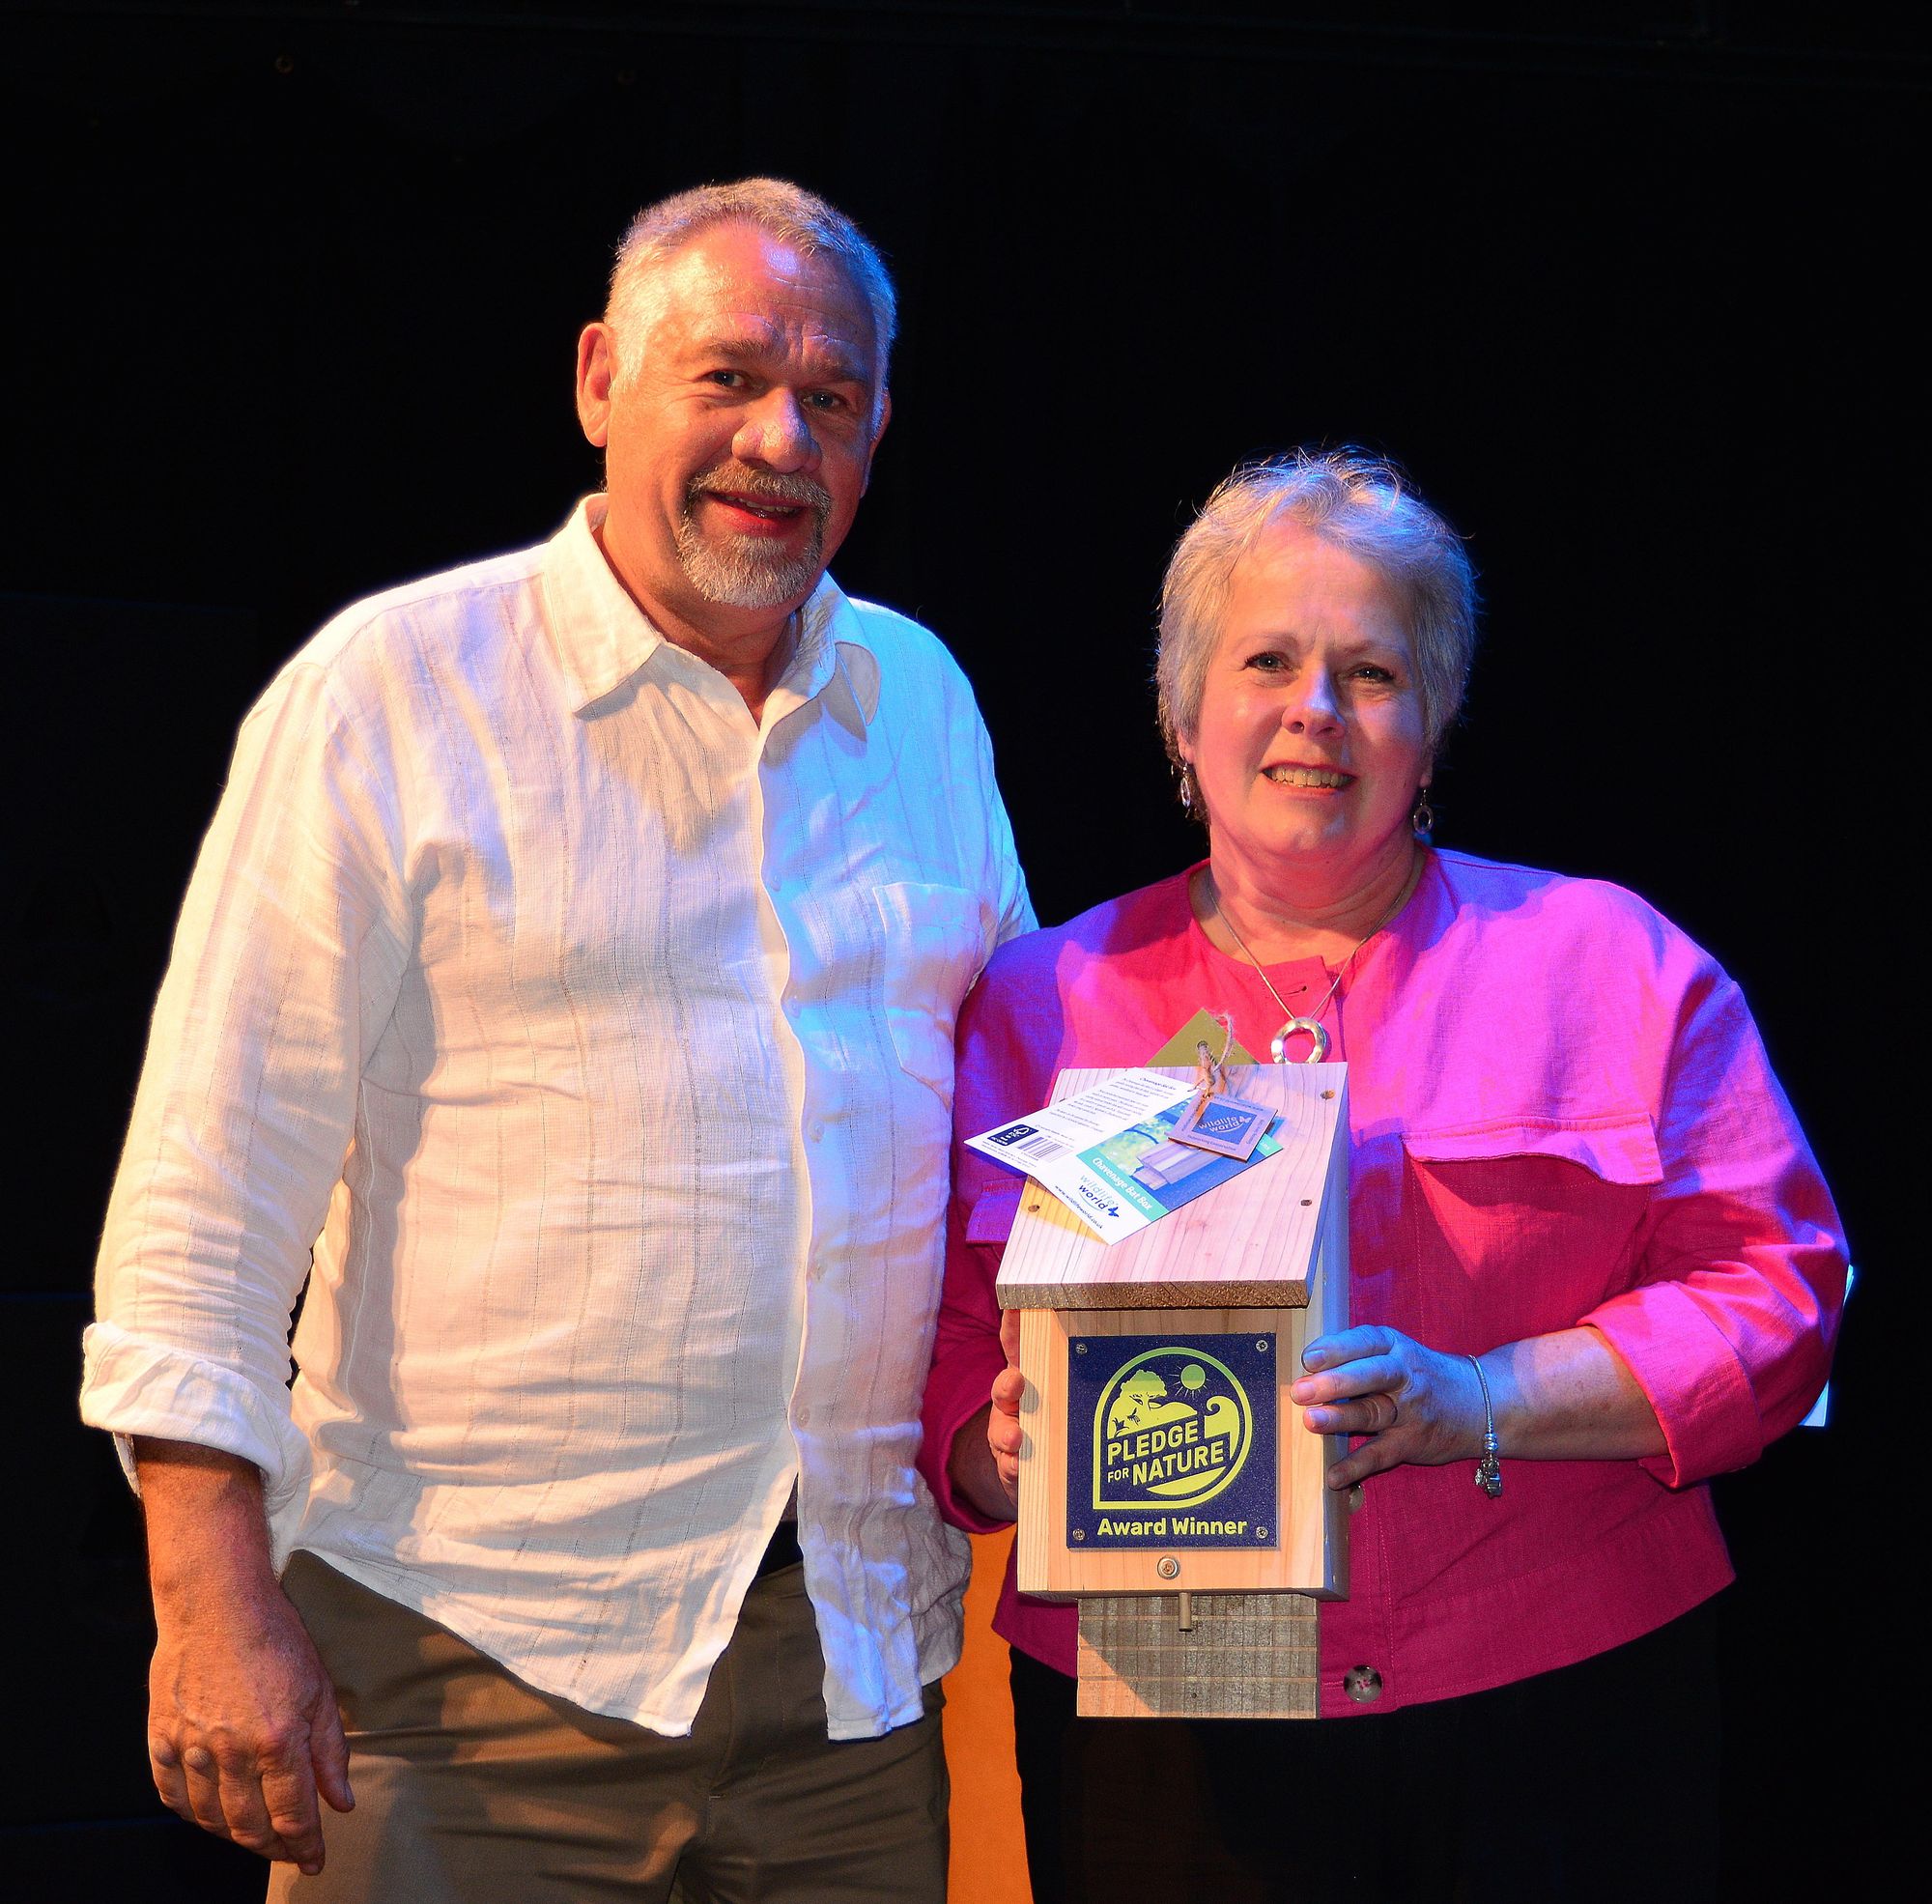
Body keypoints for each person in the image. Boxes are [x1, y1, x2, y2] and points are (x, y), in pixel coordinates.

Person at [82, 178, 1032, 1902]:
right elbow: (208, 1193)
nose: (777, 439)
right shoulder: (392, 691)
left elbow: (1009, 1130)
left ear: (880, 431)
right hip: (462, 1685)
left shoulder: (927, 706)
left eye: (829, 398)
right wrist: (207, 1599)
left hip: (856, 1690)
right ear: (602, 379)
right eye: (727, 378)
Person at [919, 450, 1844, 1902]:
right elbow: (942, 1369)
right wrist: (1002, 1444)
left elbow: (1779, 1296)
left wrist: (1480, 1398)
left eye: (1371, 671)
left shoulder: (1614, 962)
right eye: (1268, 660)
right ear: (1181, 712)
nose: (1315, 711)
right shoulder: (1036, 1001)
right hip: (1173, 1724)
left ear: (1436, 717)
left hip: (1559, 1705)